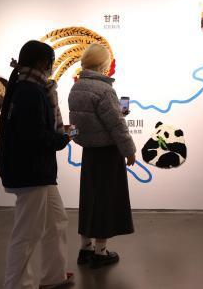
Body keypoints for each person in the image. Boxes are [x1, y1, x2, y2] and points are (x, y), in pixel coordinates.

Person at [0, 40, 75, 289]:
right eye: (51, 62)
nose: (52, 67)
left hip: (37, 171)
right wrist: (63, 138)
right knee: (27, 234)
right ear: (42, 62)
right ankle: (18, 285)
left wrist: (60, 134)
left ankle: (54, 276)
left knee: (57, 220)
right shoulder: (30, 92)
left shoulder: (27, 87)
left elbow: (32, 130)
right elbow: (34, 137)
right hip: (31, 171)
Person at [68, 43, 136, 269]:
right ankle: (101, 252)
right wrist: (129, 150)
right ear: (103, 64)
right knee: (106, 201)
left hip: (90, 153)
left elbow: (77, 123)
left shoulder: (76, 87)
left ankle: (85, 249)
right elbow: (117, 125)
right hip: (108, 154)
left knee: (89, 200)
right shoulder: (105, 90)